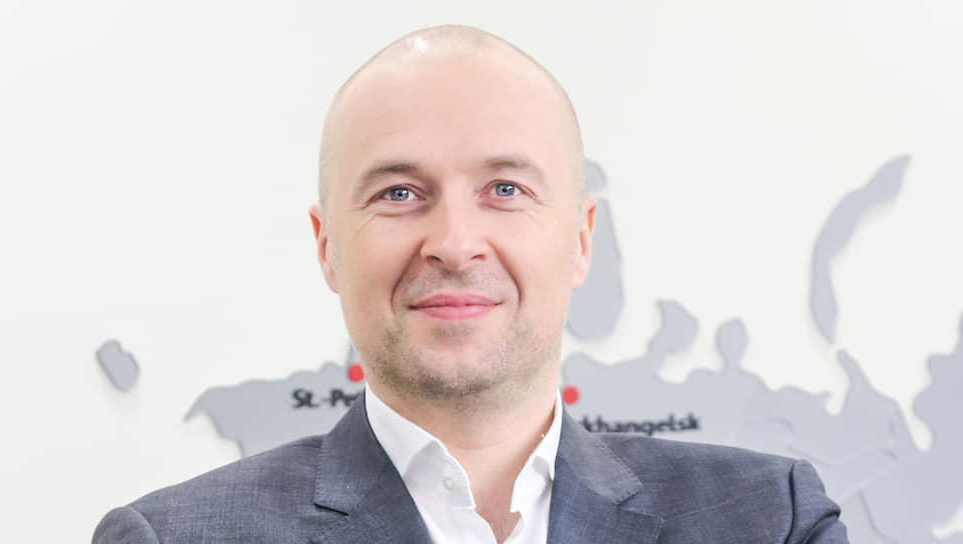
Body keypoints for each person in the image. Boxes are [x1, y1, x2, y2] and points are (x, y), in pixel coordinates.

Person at [93, 24, 848, 543]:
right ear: (327, 249)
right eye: (398, 193)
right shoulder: (175, 538)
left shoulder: (769, 521)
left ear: (581, 240)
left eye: (505, 190)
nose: (455, 244)